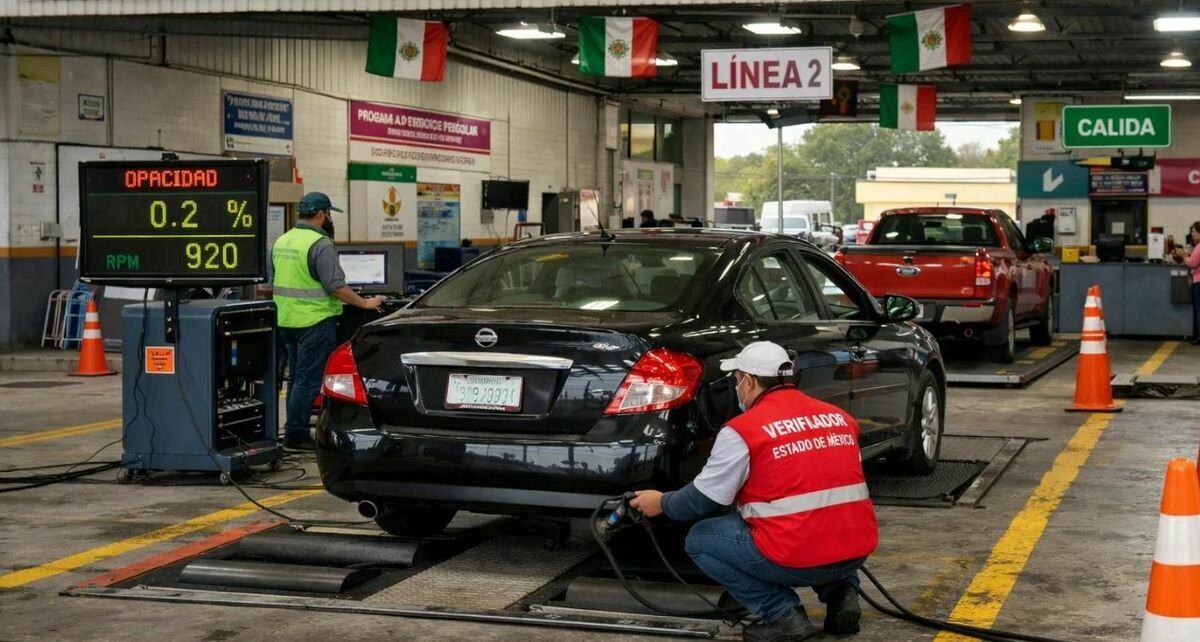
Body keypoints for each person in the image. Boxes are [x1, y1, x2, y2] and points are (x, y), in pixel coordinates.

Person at [630, 341, 877, 641]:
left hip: (797, 558)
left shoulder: (744, 430)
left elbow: (700, 501)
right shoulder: (840, 418)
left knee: (701, 539)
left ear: (749, 381)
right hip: (855, 552)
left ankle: (782, 614)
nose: (736, 387)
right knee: (830, 520)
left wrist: (662, 502)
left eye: (737, 380)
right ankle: (842, 596)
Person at [272, 192, 383, 450]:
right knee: (308, 381)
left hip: (286, 320)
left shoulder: (282, 241)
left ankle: (293, 429)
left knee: (296, 379)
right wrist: (366, 303)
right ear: (322, 215)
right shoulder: (320, 244)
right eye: (329, 214)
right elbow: (336, 287)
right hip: (314, 321)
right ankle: (296, 436)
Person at [1172, 221, 1200, 345]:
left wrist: (1183, 256)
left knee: (1199, 310)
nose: (1192, 234)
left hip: (1199, 282)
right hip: (1197, 280)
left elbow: (1193, 263)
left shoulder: (1199, 247)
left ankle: (1198, 336)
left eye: (1194, 232)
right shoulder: (1197, 246)